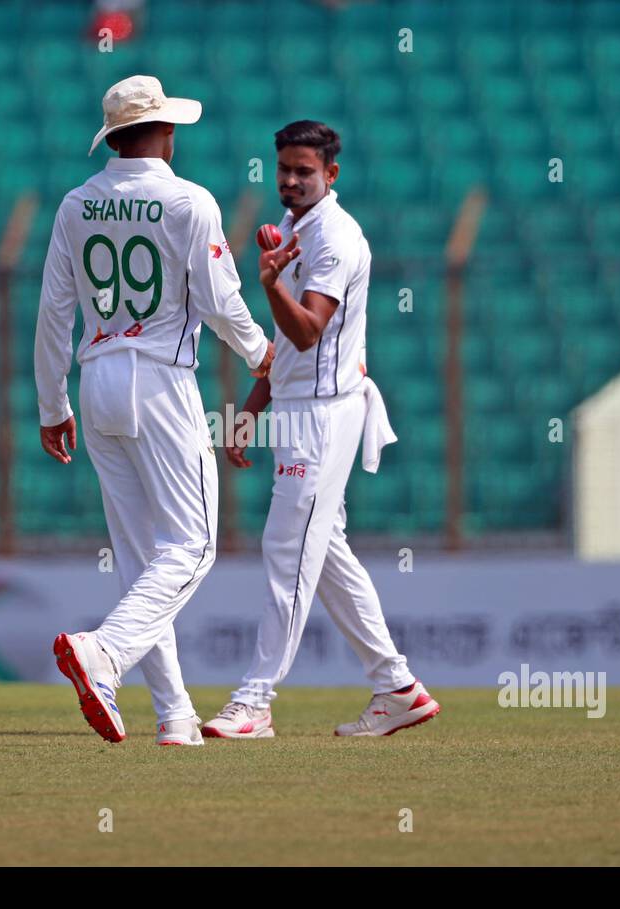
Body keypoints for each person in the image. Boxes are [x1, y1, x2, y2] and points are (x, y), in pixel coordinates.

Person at [34, 75, 274, 745]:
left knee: (144, 561)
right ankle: (102, 653)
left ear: (112, 136)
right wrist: (262, 357)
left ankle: (173, 716)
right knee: (192, 548)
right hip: (162, 381)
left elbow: (55, 312)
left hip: (96, 378)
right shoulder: (187, 199)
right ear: (165, 132)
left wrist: (52, 403)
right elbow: (223, 303)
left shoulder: (76, 203)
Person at [202, 120, 440, 739]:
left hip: (325, 414)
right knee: (325, 553)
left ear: (330, 175)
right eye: (283, 168)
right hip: (299, 408)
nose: (290, 180)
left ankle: (254, 701)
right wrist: (250, 412)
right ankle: (397, 687)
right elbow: (288, 345)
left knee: (287, 549)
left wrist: (270, 281)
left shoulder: (334, 236)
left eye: (304, 170)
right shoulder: (300, 232)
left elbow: (308, 329)